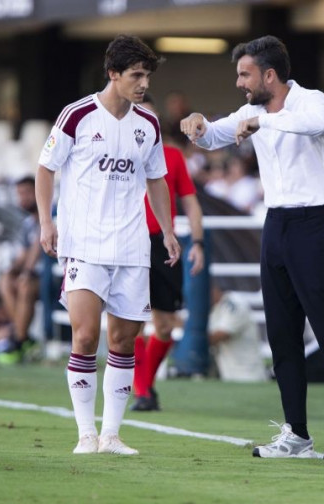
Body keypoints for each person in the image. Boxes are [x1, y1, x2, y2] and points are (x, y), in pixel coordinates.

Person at [180, 35, 324, 461]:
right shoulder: (252, 110)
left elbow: (309, 125)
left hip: (315, 221)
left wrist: (261, 123)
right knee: (282, 334)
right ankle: (296, 434)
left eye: (244, 74)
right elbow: (216, 134)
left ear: (269, 75)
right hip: (277, 223)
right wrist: (199, 124)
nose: (239, 82)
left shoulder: (313, 102)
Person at [35, 35, 180, 456]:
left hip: (132, 245)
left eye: (147, 75)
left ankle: (112, 434)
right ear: (112, 74)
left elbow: (156, 179)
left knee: (123, 339)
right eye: (136, 74)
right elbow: (45, 170)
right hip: (84, 243)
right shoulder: (77, 115)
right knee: (84, 336)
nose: (143, 83)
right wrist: (47, 222)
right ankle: (85, 433)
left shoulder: (147, 124)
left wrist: (168, 231)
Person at [130, 95, 204, 412]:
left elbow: (190, 201)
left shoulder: (172, 156)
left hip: (163, 241)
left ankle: (146, 386)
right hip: (127, 239)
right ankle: (142, 389)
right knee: (128, 321)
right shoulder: (116, 154)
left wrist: (197, 242)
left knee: (165, 323)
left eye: (151, 119)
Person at [0, 176, 42, 365]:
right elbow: (23, 255)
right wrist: (13, 270)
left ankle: (18, 341)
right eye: (20, 194)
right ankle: (23, 338)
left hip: (51, 276)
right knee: (5, 280)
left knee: (24, 285)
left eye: (27, 193)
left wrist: (26, 272)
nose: (23, 198)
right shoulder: (27, 224)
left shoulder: (51, 215)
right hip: (31, 275)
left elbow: (39, 246)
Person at [207, 286, 266, 383]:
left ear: (214, 290)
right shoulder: (214, 309)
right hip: (230, 376)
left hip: (249, 377)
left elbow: (220, 335)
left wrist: (187, 331)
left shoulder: (233, 304)